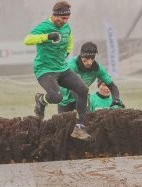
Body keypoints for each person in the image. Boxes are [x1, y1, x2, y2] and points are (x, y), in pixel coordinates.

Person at [23, 1, 90, 140]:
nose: (65, 21)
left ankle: (80, 128)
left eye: (67, 18)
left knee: (83, 89)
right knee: (56, 97)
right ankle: (41, 100)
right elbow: (27, 40)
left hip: (62, 69)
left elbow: (70, 38)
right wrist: (46, 37)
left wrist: (67, 52)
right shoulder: (44, 26)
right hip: (45, 70)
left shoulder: (66, 27)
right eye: (62, 18)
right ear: (55, 15)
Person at [58, 42, 124, 113]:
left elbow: (113, 87)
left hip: (81, 95)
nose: (89, 62)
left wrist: (116, 100)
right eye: (86, 59)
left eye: (92, 59)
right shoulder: (71, 65)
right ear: (81, 56)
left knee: (87, 119)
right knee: (63, 122)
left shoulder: (98, 69)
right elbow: (73, 88)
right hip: (65, 98)